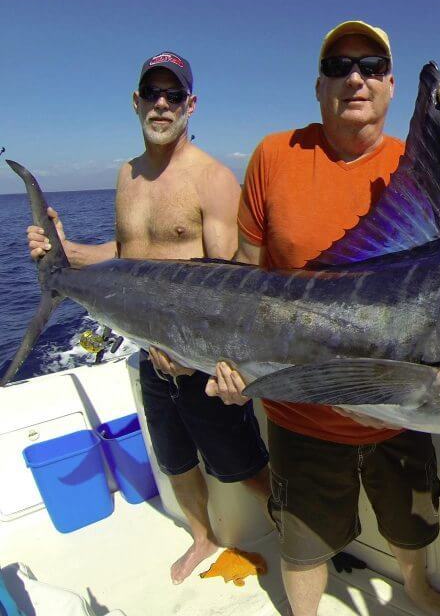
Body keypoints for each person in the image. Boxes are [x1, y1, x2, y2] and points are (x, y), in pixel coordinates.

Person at [205, 20, 440, 616]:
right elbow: (241, 279)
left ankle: (418, 589)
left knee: (412, 529)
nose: (356, 77)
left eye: (372, 65)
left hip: (402, 406)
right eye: (340, 65)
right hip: (301, 408)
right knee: (304, 543)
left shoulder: (419, 170)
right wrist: (229, 365)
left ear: (391, 85)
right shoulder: (274, 156)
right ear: (319, 85)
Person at [26, 51, 270, 585]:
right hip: (147, 350)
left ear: (191, 104)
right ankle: (203, 536)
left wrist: (192, 356)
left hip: (204, 364)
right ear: (136, 102)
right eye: (153, 94)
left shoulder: (212, 179)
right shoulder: (127, 177)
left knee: (243, 466)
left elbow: (229, 282)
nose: (163, 104)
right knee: (175, 460)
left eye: (174, 95)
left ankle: (289, 527)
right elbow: (126, 256)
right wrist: (64, 249)